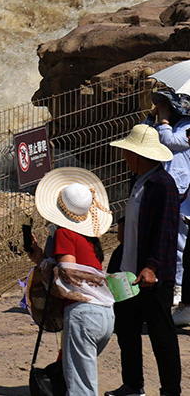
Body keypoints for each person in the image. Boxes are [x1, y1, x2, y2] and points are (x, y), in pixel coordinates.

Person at [105, 124, 181, 396]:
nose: (125, 156)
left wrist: (152, 266)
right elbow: (135, 211)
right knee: (126, 330)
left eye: (128, 152)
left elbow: (166, 230)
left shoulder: (164, 185)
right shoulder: (137, 180)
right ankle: (133, 384)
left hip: (152, 277)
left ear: (140, 155)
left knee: (161, 334)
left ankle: (171, 390)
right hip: (128, 270)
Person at [29, 168, 114, 396]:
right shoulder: (91, 240)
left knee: (81, 388)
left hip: (84, 314)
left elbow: (68, 273)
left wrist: (44, 267)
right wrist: (41, 259)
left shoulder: (65, 234)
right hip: (106, 315)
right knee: (82, 378)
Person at [142, 86, 190, 324]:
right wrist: (153, 117)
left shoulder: (186, 126)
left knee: (181, 242)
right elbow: (144, 135)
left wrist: (163, 119)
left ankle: (179, 286)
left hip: (183, 192)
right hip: (164, 186)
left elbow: (170, 141)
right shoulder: (166, 122)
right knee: (164, 237)